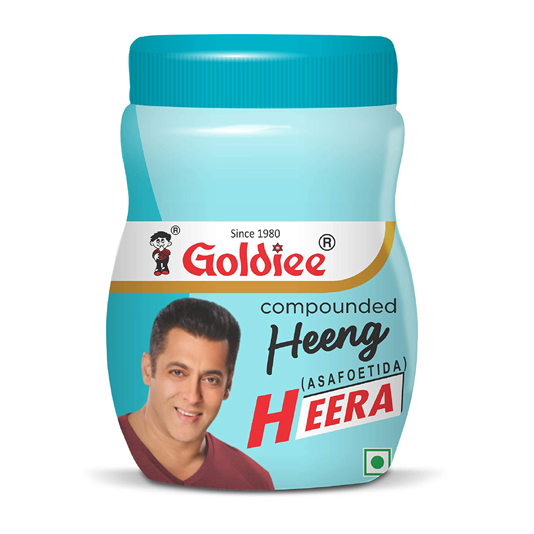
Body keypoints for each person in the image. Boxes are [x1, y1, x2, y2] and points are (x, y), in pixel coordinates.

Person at [118, 297, 274, 490]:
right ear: (148, 370)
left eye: (210, 379)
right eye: (178, 372)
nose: (193, 397)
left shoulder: (254, 483)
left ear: (228, 385)